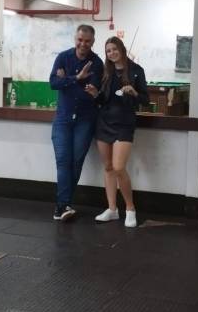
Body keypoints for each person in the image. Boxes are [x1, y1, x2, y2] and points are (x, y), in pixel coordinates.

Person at [86, 36, 149, 228]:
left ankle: (130, 209)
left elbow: (145, 100)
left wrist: (134, 92)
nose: (111, 53)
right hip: (104, 122)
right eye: (108, 50)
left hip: (124, 124)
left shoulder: (137, 70)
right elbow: (103, 100)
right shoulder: (106, 71)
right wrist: (95, 95)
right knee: (108, 167)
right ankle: (112, 209)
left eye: (114, 49)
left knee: (119, 167)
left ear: (121, 49)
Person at [49, 24, 103, 221]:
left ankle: (63, 205)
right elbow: (53, 83)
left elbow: (90, 94)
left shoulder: (97, 63)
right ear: (75, 38)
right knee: (63, 161)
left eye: (87, 41)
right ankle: (63, 205)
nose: (83, 44)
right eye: (80, 40)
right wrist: (77, 78)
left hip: (85, 120)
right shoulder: (63, 57)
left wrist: (66, 81)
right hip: (63, 119)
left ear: (93, 42)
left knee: (76, 162)